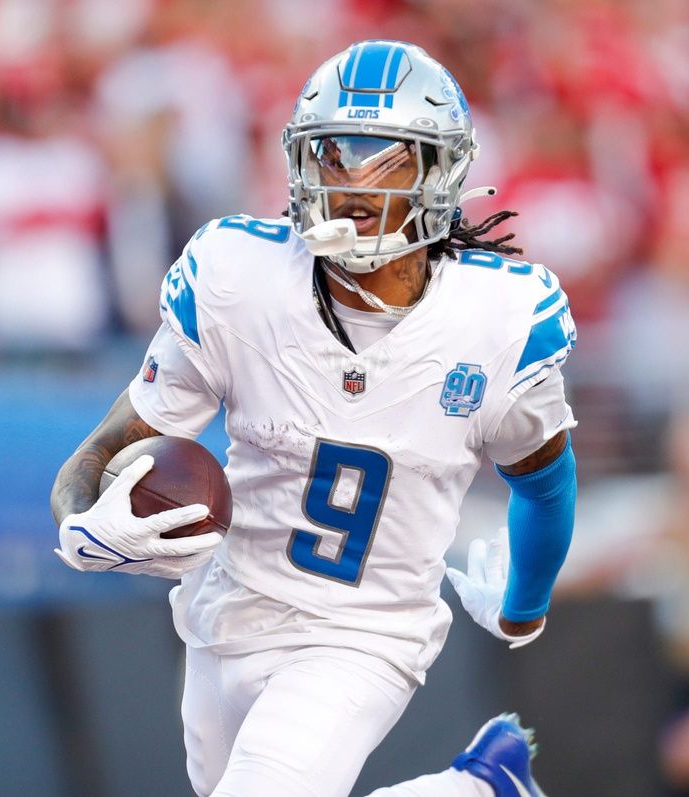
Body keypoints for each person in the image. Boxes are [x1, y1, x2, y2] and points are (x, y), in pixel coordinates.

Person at [51, 40, 578, 797]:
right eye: (334, 156)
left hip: (362, 632)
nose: (354, 184)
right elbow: (104, 450)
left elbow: (544, 484)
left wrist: (524, 606)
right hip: (226, 612)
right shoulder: (241, 277)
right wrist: (79, 527)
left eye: (385, 160)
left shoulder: (498, 317)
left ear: (441, 170)